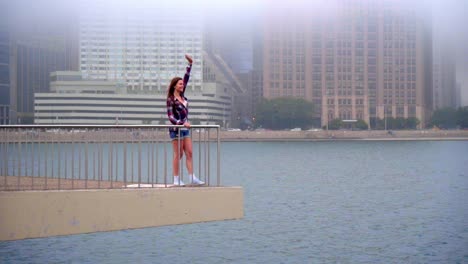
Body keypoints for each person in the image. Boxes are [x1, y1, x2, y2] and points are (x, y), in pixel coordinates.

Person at [166, 54, 204, 186]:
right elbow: (170, 116)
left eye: (182, 84)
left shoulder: (182, 95)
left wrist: (190, 64)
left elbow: (186, 78)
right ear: (175, 86)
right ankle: (176, 179)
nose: (182, 85)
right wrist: (181, 123)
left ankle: (192, 177)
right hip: (176, 129)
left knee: (189, 152)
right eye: (180, 84)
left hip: (185, 129)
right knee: (178, 154)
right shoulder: (171, 99)